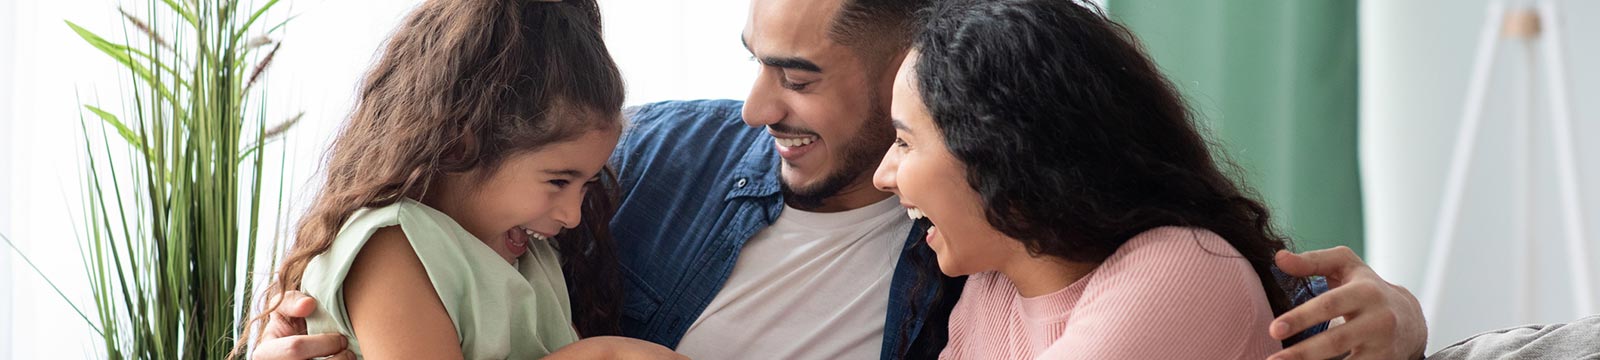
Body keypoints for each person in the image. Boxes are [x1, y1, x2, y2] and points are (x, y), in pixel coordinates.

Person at [250, 0, 1351, 358]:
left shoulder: (982, 265)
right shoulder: (658, 160)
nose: (754, 110)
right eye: (752, 65)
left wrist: (1393, 319)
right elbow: (415, 227)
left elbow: (1231, 288)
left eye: (797, 75)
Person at [234, 0, 681, 358]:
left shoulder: (522, 254)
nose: (571, 215)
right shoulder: (392, 245)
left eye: (586, 185)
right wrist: (600, 354)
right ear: (460, 147)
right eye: (558, 181)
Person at [873, 0, 1296, 357]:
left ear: (999, 149)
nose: (882, 176)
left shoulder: (1184, 266)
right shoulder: (991, 291)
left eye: (904, 142)